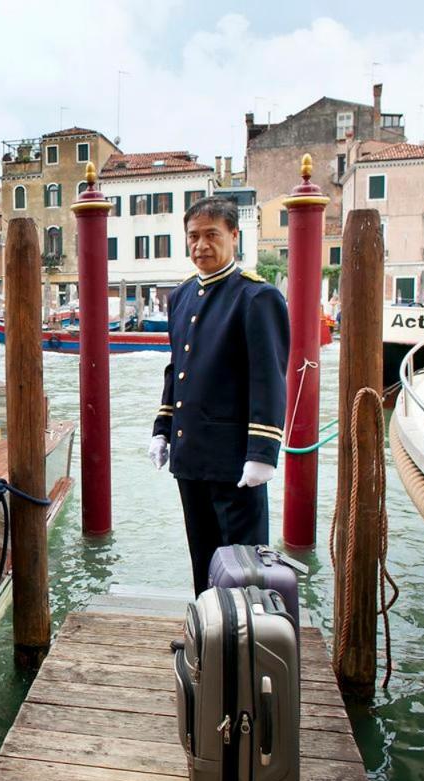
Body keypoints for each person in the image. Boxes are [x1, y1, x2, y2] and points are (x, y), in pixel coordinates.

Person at [149, 196, 289, 596]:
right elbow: (177, 369)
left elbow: (269, 378)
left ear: (233, 236)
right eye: (193, 236)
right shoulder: (181, 297)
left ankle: (242, 643)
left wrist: (262, 454)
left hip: (235, 464)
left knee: (242, 565)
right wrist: (162, 429)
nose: (201, 245)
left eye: (212, 235)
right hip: (189, 456)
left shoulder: (256, 297)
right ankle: (210, 637)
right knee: (203, 556)